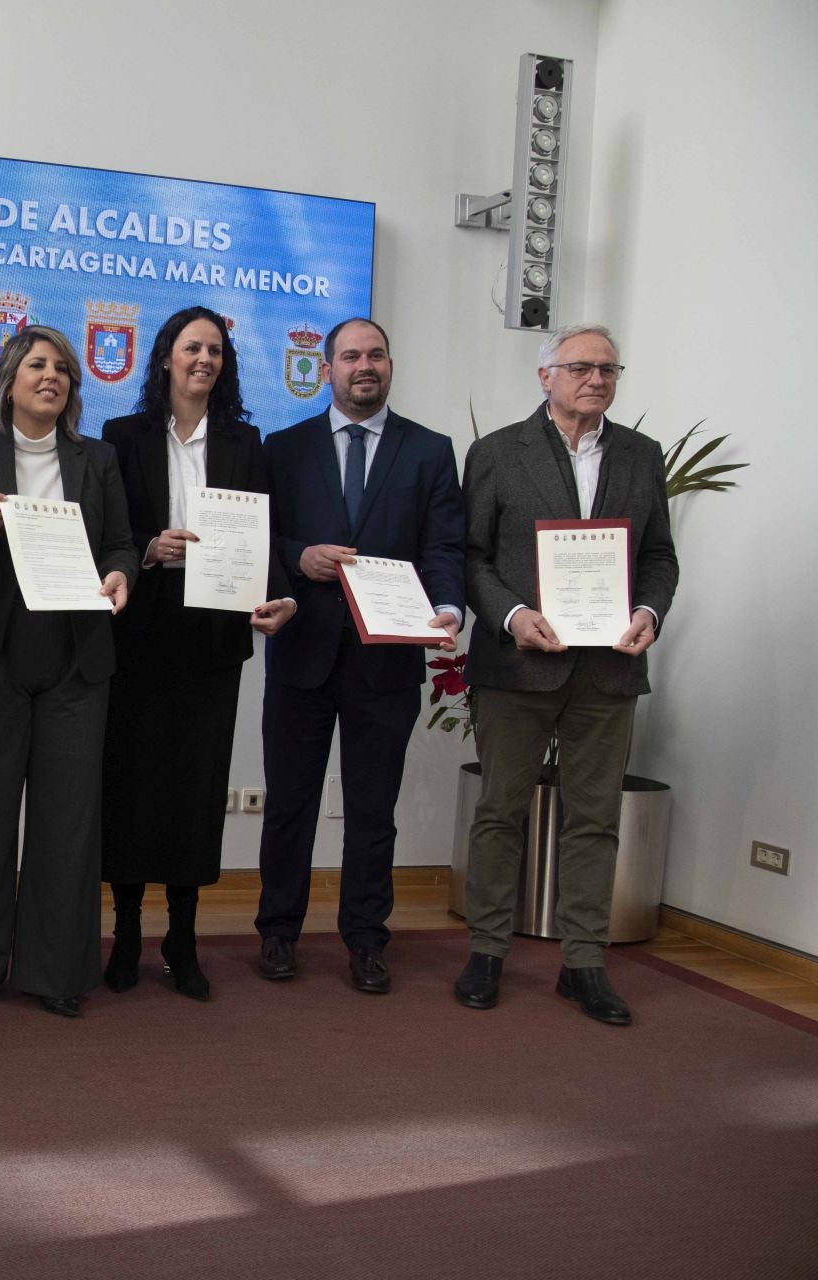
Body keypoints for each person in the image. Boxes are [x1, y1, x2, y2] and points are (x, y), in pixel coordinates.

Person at [455, 322, 677, 1025]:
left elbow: (660, 557)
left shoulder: (642, 456)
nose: (598, 380)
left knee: (595, 820)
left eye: (610, 370)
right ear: (545, 376)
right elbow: (472, 558)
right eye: (582, 367)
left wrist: (647, 610)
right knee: (500, 812)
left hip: (608, 669)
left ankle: (583, 963)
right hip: (519, 664)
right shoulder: (495, 453)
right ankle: (486, 951)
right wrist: (513, 615)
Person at [0, 325, 139, 1018]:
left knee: (68, 819)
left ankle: (56, 972)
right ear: (9, 379)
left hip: (76, 658)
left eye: (64, 370)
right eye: (37, 365)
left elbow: (122, 545)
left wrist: (120, 575)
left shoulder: (99, 458)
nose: (52, 377)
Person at [253, 318, 466, 993]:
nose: (363, 366)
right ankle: (278, 931)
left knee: (374, 810)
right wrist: (298, 556)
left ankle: (367, 939)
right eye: (350, 356)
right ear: (328, 370)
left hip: (388, 662)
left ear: (390, 366)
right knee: (291, 803)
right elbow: (262, 535)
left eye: (375, 355)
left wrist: (450, 609)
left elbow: (444, 547)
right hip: (302, 654)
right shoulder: (282, 448)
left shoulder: (430, 450)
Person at [98, 307, 295, 1000]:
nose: (204, 359)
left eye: (215, 350)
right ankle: (124, 934)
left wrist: (279, 596)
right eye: (192, 348)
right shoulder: (121, 437)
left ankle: (183, 939)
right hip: (139, 632)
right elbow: (107, 531)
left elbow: (262, 537)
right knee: (129, 784)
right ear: (165, 359)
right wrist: (148, 548)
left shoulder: (246, 441)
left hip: (211, 636)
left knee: (195, 787)